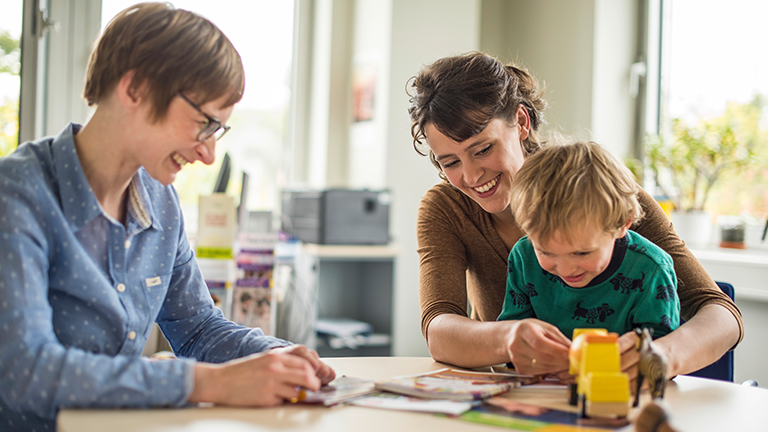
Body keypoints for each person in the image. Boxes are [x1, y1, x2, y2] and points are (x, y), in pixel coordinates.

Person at [0, 3, 334, 430]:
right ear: (134, 88)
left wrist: (274, 355)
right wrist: (209, 383)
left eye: (218, 131)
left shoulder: (160, 201)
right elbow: (26, 371)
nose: (209, 154)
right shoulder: (18, 193)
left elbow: (196, 328)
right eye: (204, 123)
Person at [408, 51, 742, 381]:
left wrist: (662, 355)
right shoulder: (446, 208)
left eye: (482, 149)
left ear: (521, 122)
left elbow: (722, 315)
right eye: (449, 162)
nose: (470, 175)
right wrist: (507, 339)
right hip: (520, 397)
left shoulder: (604, 193)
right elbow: (438, 327)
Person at [498, 140, 680, 342]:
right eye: (546, 252)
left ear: (622, 224)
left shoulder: (652, 269)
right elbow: (509, 335)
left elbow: (663, 351)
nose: (566, 270)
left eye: (581, 253)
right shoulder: (523, 257)